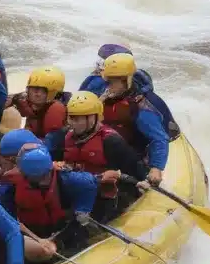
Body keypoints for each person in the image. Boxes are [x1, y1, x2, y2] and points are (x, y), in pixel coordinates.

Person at [47, 91, 148, 220]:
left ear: (93, 118)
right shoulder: (64, 136)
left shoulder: (111, 141)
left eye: (77, 118)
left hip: (105, 196)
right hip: (76, 191)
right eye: (71, 117)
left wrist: (124, 178)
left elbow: (138, 174)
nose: (72, 123)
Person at [0, 146, 98, 263]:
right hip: (32, 231)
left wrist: (83, 210)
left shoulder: (69, 179)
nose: (41, 181)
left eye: (44, 175)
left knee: (81, 231)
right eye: (35, 177)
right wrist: (37, 239)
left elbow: (89, 183)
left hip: (64, 227)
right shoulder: (11, 186)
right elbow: (8, 218)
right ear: (24, 174)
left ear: (51, 169)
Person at [99, 51, 178, 185]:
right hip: (113, 151)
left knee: (112, 142)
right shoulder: (109, 96)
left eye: (113, 82)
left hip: (136, 157)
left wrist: (156, 168)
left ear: (126, 81)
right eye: (108, 81)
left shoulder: (142, 107)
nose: (108, 85)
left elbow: (159, 139)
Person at [12, 66, 69, 144]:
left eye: (40, 90)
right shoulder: (34, 104)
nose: (36, 94)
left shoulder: (56, 109)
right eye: (33, 89)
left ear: (53, 92)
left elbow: (52, 144)